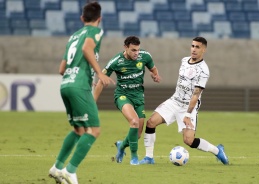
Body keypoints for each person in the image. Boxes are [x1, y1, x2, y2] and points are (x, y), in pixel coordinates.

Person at [48, 2, 115, 184]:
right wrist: (99, 73)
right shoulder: (96, 32)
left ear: (81, 18)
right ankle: (70, 171)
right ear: (99, 19)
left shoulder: (73, 36)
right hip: (79, 87)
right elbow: (87, 48)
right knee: (94, 130)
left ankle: (57, 167)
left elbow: (62, 68)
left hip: (66, 85)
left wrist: (82, 73)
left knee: (78, 129)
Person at [139, 36, 229, 165]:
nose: (194, 49)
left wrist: (187, 115)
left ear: (204, 50)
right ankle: (148, 158)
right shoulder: (184, 60)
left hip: (188, 106)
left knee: (188, 140)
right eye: (192, 46)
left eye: (197, 47)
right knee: (151, 122)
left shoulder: (203, 70)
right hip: (174, 101)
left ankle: (217, 150)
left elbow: (196, 95)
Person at [94, 36, 161, 165]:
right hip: (123, 96)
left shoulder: (145, 56)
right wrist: (93, 102)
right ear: (125, 48)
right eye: (133, 50)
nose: (136, 53)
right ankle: (134, 158)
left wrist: (155, 76)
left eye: (138, 50)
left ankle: (122, 145)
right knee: (134, 122)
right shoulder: (116, 61)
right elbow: (101, 81)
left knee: (137, 134)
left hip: (138, 96)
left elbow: (153, 69)